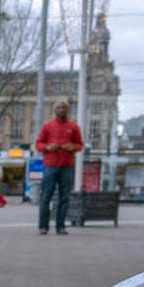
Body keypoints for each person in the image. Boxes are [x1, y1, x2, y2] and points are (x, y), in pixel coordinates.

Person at [34, 100, 84, 234]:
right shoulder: (47, 126)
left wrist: (73, 147)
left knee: (64, 197)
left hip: (67, 166)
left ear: (67, 110)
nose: (61, 109)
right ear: (55, 110)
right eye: (59, 108)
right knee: (46, 196)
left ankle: (60, 226)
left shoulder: (73, 126)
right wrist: (47, 147)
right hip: (50, 165)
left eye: (64, 108)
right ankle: (43, 226)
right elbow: (38, 144)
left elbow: (79, 144)